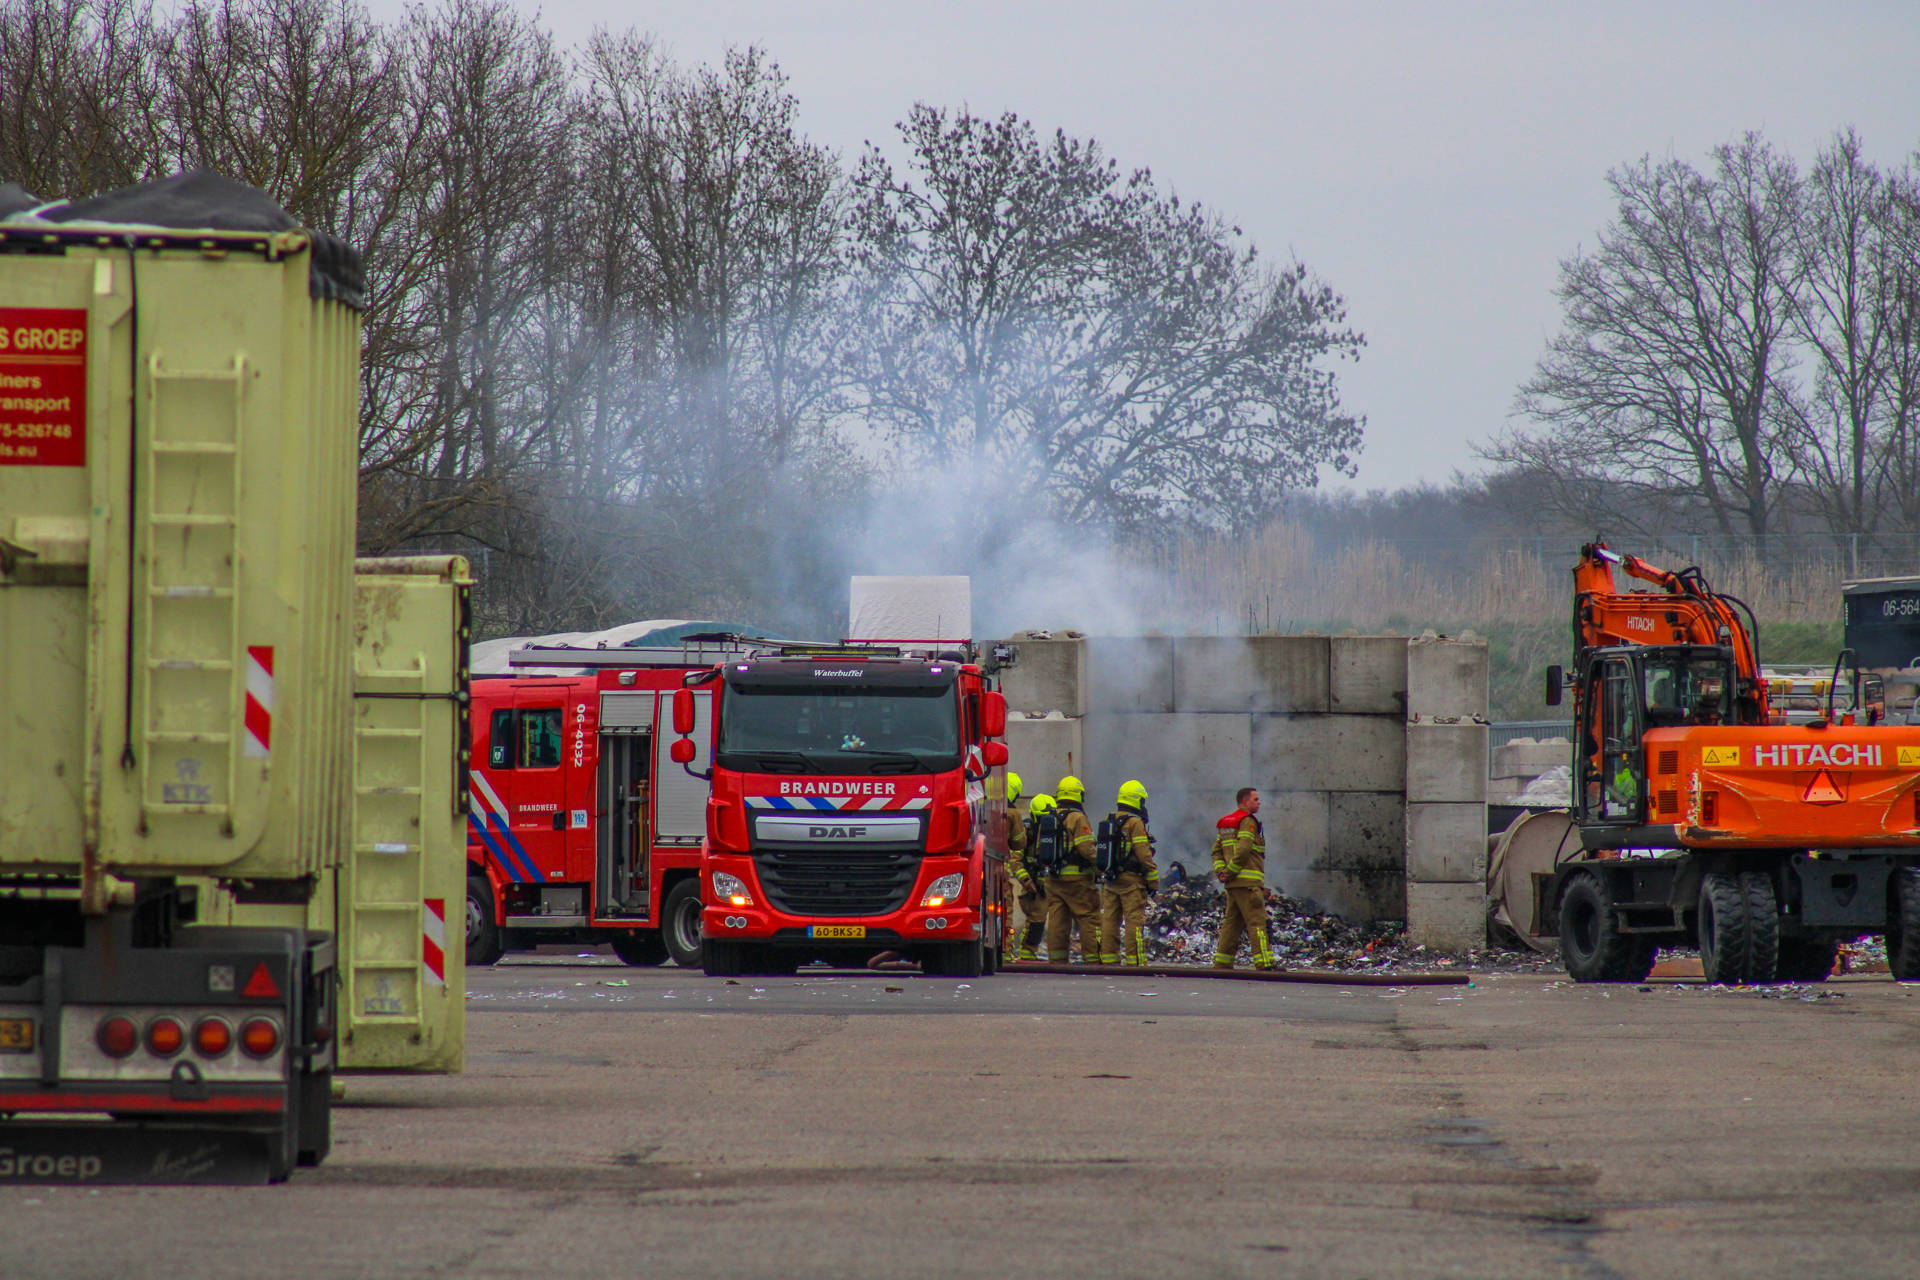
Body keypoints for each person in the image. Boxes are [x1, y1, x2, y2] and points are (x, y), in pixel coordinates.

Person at [1098, 779, 1159, 966]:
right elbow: (1143, 853)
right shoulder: (1134, 822)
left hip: (1110, 879)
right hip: (1131, 881)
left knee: (1109, 919)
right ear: (1135, 800)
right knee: (1133, 920)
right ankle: (1136, 961)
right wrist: (1153, 880)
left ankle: (1109, 959)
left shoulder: (1110, 820)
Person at [1211, 787, 1273, 970]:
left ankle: (1222, 963)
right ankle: (1265, 964)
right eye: (1255, 799)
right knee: (1257, 922)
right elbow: (1244, 850)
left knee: (1232, 924)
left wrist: (1222, 872)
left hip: (1232, 886)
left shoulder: (1225, 823)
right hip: (1248, 885)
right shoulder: (1247, 822)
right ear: (1245, 801)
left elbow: (1216, 851)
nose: (1259, 802)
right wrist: (1230, 872)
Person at [1044, 775, 1102, 964]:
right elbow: (1086, 849)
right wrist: (1101, 863)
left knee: (1057, 921)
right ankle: (1093, 960)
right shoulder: (1077, 818)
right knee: (1088, 918)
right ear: (1078, 795)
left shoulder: (1050, 817)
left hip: (1054, 879)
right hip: (1077, 880)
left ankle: (1057, 961)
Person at [1004, 773, 1047, 960]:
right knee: (1006, 913)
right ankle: (1009, 952)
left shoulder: (984, 808)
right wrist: (1028, 880)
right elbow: (1018, 846)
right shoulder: (1013, 815)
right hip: (1010, 876)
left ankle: (1011, 952)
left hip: (989, 870)